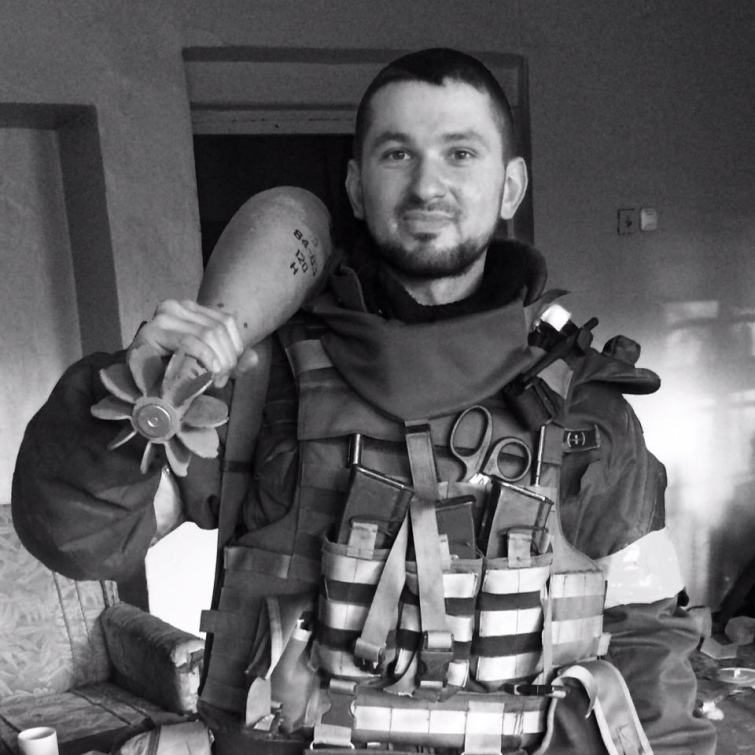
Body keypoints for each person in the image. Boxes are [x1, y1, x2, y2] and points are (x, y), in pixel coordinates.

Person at [12, 48, 714, 754]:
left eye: (460, 153)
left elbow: (647, 642)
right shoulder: (261, 386)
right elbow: (80, 541)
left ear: (510, 186)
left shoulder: (589, 412)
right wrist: (140, 387)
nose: (427, 185)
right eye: (396, 154)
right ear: (354, 185)